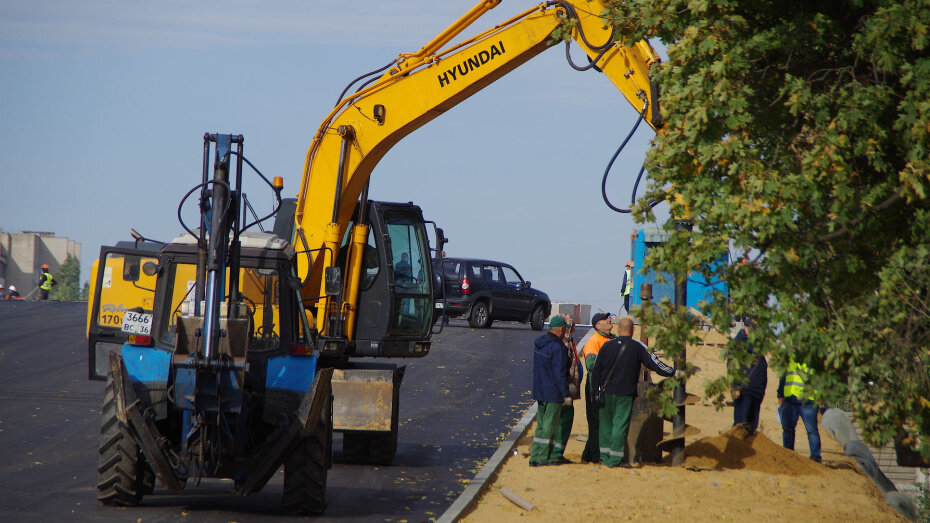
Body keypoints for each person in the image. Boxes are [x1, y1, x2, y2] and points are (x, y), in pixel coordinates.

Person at [591, 317, 674, 468]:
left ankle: (604, 457)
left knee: (605, 426)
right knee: (620, 425)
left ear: (618, 329)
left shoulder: (606, 346)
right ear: (633, 330)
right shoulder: (637, 347)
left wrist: (594, 391)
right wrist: (672, 372)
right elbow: (654, 364)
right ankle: (615, 460)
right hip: (624, 393)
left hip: (605, 391)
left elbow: (596, 369)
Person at [529, 315, 573, 467]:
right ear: (561, 329)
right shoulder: (558, 347)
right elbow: (560, 373)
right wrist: (566, 394)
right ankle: (542, 458)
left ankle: (535, 456)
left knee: (541, 426)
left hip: (540, 391)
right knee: (550, 427)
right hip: (553, 392)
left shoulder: (540, 344)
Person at [579, 312, 614, 463]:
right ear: (597, 325)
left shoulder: (611, 339)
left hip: (608, 386)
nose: (609, 319)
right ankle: (594, 456)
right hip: (596, 386)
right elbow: (591, 365)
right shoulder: (594, 341)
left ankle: (588, 455)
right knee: (596, 423)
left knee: (602, 422)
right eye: (605, 319)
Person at [777, 357, 822, 462]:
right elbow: (783, 376)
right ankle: (788, 454)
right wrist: (780, 393)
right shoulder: (789, 358)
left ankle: (815, 457)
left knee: (811, 430)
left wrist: (820, 396)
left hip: (808, 400)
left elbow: (819, 379)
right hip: (790, 399)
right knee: (788, 429)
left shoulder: (812, 359)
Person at [730, 320, 767, 437]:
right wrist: (735, 387)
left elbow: (762, 367)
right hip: (744, 391)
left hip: (757, 392)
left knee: (752, 427)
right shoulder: (738, 344)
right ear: (746, 328)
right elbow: (732, 366)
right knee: (741, 425)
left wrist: (762, 390)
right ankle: (737, 451)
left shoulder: (758, 347)